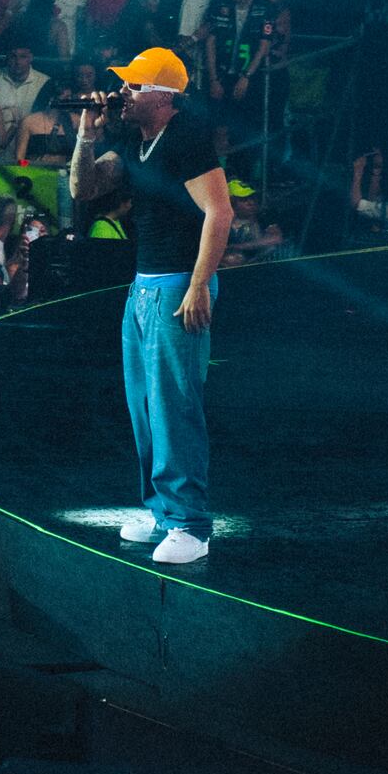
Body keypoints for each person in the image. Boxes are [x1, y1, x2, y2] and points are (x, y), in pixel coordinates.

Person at [66, 48, 233, 566]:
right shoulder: (133, 142)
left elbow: (220, 212)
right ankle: (163, 513)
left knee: (175, 407)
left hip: (178, 285)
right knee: (145, 407)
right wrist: (86, 131)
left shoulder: (186, 140)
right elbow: (83, 187)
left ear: (163, 96)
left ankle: (191, 524)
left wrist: (200, 285)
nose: (125, 93)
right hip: (143, 287)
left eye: (135, 87)